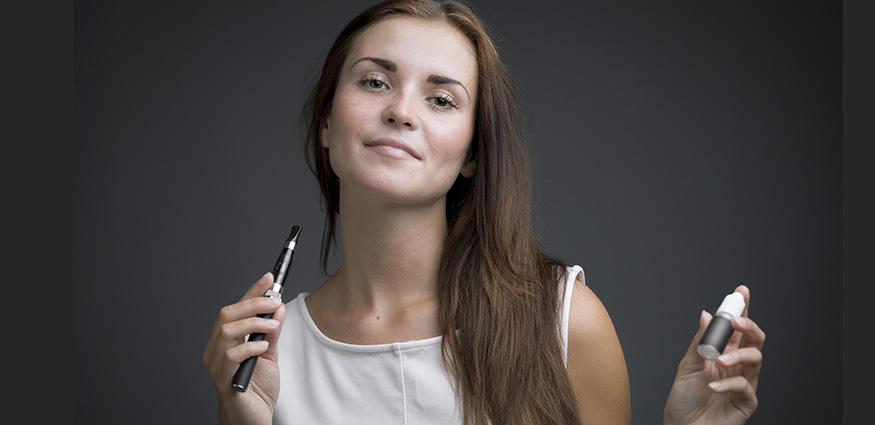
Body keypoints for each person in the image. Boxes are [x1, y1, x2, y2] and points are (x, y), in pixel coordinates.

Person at [202, 1, 766, 424]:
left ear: (473, 152)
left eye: (441, 98)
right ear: (327, 123)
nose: (400, 110)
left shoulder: (564, 322)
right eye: (375, 81)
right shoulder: (267, 356)